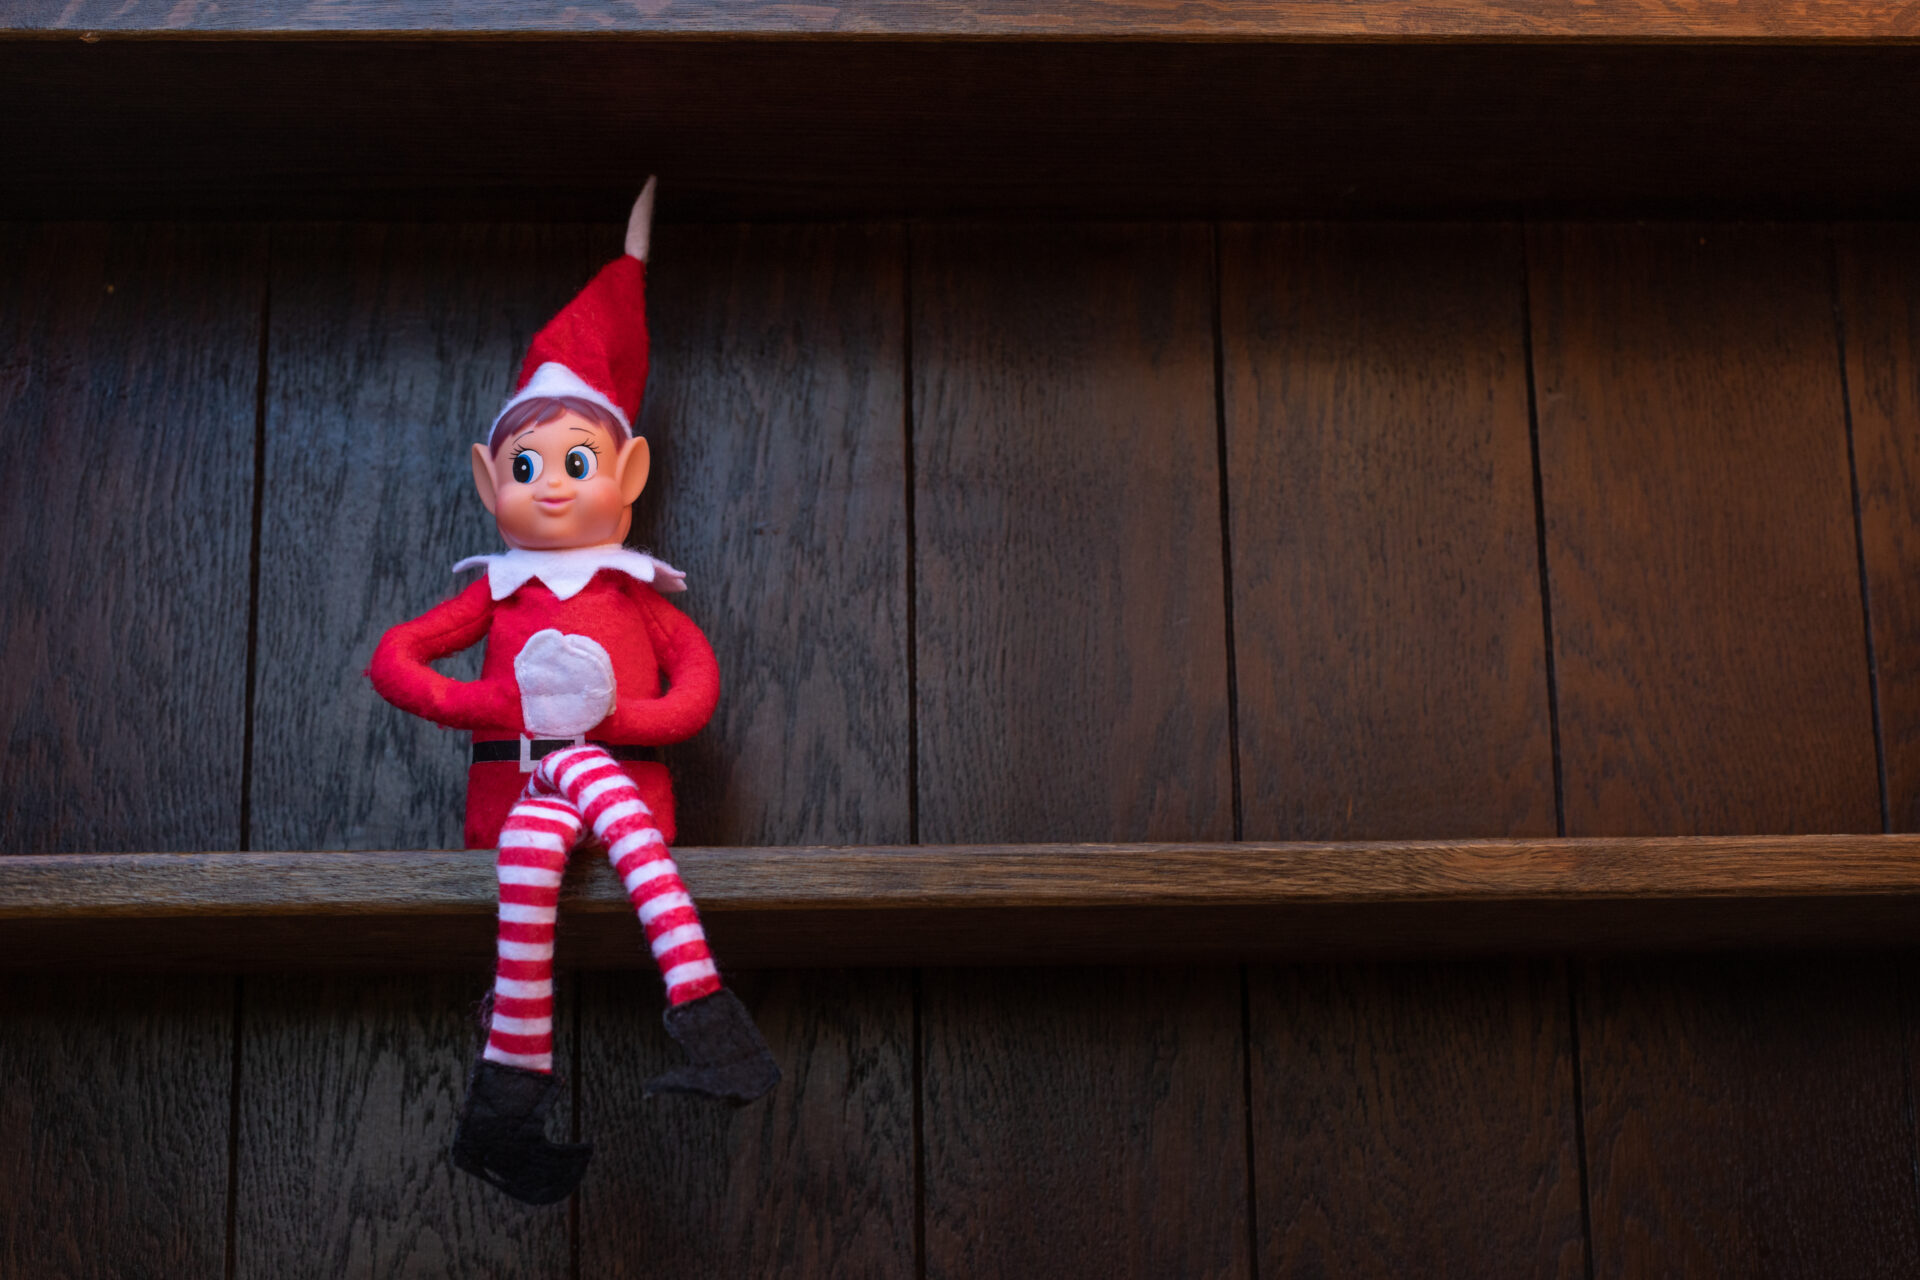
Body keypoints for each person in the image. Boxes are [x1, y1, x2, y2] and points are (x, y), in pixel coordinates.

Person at [368, 179, 778, 1205]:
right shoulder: (495, 593)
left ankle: (657, 1046)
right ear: (485, 479)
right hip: (525, 800)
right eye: (527, 462)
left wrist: (611, 720)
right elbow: (397, 659)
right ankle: (523, 1101)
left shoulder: (639, 596)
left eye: (579, 459)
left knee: (629, 839)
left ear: (628, 474)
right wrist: (495, 707)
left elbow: (694, 689)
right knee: (530, 868)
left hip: (616, 781)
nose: (552, 481)